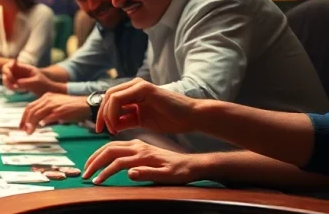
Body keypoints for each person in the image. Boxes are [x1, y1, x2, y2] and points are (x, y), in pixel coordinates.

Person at [22, 0, 329, 149]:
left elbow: (202, 95)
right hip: (216, 161)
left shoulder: (221, 2)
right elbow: (147, 83)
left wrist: (93, 104)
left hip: (287, 181)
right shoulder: (161, 8)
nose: (115, 1)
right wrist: (90, 101)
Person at [82, 78, 329, 191]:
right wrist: (198, 163)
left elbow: (323, 145)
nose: (116, 0)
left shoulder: (221, 3)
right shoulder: (155, 25)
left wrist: (195, 113)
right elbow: (320, 159)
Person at [6, 0, 148, 126]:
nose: (92, 5)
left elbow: (147, 85)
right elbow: (76, 67)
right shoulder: (107, 25)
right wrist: (36, 74)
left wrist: (59, 89)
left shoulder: (146, 16)